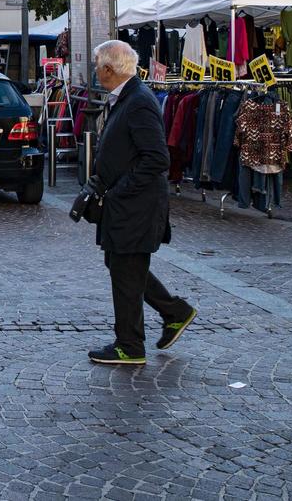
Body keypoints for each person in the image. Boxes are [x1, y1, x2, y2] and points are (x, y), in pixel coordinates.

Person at [87, 39, 196, 366]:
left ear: (108, 69)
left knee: (125, 269)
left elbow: (157, 158)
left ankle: (130, 345)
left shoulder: (138, 101)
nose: (95, 71)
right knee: (122, 266)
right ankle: (175, 311)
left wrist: (120, 190)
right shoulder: (129, 98)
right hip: (128, 206)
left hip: (135, 206)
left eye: (97, 65)